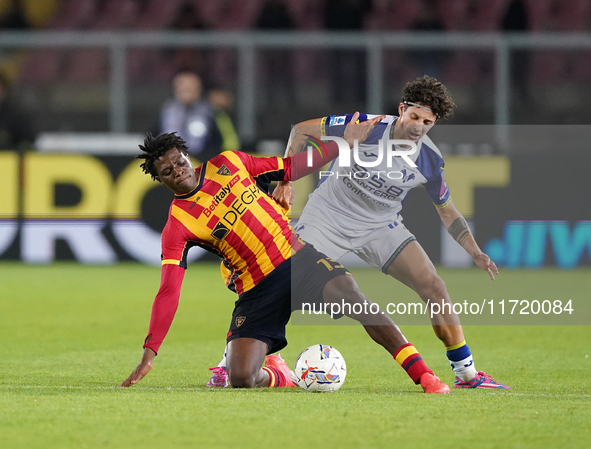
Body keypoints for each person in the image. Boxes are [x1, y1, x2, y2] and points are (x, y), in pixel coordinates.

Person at [209, 75, 510, 390]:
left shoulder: (429, 159)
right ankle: (227, 363)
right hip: (327, 217)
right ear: (401, 109)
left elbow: (447, 210)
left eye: (427, 122)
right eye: (414, 117)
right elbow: (301, 130)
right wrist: (286, 180)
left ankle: (467, 375)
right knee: (280, 284)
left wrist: (475, 251)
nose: (418, 127)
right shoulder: (365, 126)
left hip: (381, 226)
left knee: (434, 287)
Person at [119, 115, 450, 394]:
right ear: (161, 181)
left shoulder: (229, 163)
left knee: (355, 300)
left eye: (179, 162)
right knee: (242, 378)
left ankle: (424, 375)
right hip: (256, 289)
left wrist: (342, 144)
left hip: (298, 260)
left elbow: (289, 167)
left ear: (187, 156)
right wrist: (150, 353)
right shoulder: (177, 225)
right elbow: (168, 290)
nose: (177, 171)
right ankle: (279, 374)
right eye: (168, 172)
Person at [158, 71, 222, 161]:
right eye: (184, 88)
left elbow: (221, 142)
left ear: (199, 90)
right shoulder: (165, 113)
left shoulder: (211, 114)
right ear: (176, 90)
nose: (187, 92)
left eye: (191, 89)